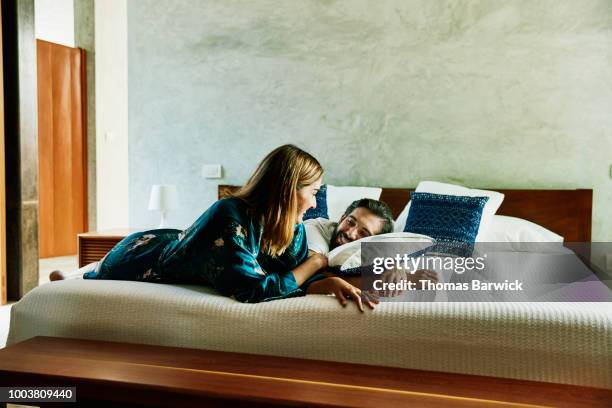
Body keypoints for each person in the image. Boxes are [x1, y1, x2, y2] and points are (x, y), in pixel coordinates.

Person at [51, 144, 377, 311]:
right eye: (313, 192)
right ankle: (78, 273)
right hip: (144, 255)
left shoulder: (295, 230)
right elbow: (251, 290)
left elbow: (295, 274)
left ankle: (77, 272)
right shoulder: (229, 214)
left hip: (180, 246)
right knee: (102, 268)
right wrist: (317, 263)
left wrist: (327, 280)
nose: (313, 202)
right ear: (287, 189)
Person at [305, 199, 438, 297]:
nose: (350, 233)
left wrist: (395, 266)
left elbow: (387, 252)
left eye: (364, 233)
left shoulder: (373, 247)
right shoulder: (316, 229)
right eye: (350, 222)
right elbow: (309, 276)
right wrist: (405, 280)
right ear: (342, 218)